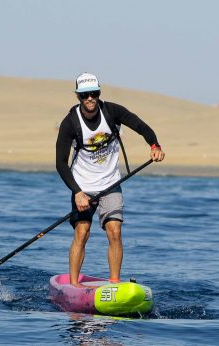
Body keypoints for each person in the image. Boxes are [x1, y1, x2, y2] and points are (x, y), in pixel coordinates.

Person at [55, 73, 165, 287]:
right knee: (82, 231)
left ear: (99, 93)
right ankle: (74, 286)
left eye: (94, 93)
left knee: (115, 231)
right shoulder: (70, 123)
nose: (90, 98)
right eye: (85, 95)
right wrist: (78, 192)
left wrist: (155, 145)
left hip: (111, 184)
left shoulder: (112, 111)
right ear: (78, 96)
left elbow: (142, 127)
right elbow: (60, 163)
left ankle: (114, 283)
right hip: (83, 185)